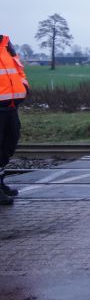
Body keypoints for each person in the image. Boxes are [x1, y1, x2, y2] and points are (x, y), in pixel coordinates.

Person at [0, 34, 28, 206]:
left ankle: (0, 183)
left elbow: (19, 70)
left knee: (9, 143)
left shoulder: (6, 45)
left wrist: (24, 87)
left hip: (10, 106)